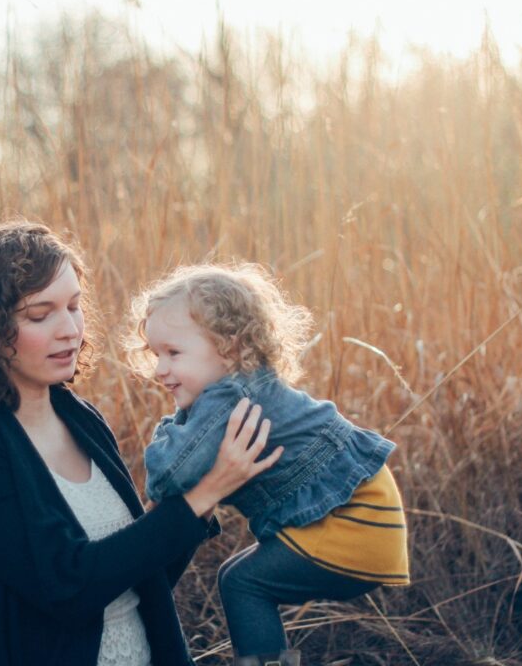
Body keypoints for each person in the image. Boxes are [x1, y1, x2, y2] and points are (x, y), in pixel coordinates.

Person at [0, 222, 282, 666]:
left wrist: (206, 487)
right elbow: (66, 588)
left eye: (73, 306)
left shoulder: (81, 418)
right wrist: (204, 493)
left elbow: (141, 578)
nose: (69, 329)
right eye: (40, 314)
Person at [126, 263, 410, 666]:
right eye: (155, 354)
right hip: (368, 515)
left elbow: (168, 476)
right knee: (233, 577)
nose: (159, 369)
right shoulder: (247, 385)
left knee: (245, 584)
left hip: (353, 522)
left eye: (173, 353)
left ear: (229, 346)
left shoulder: (227, 398)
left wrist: (171, 426)